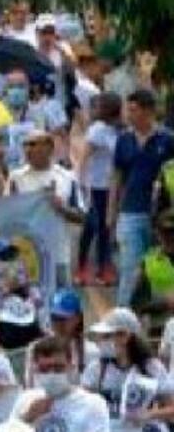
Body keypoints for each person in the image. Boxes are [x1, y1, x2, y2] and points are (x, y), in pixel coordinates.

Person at [84, 307, 173, 432]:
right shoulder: (96, 370)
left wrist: (148, 415)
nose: (102, 342)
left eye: (107, 336)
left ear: (125, 336)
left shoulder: (152, 368)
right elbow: (84, 406)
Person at [11, 336, 110, 432]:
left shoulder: (93, 403)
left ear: (71, 366)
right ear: (35, 369)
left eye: (58, 368)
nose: (51, 374)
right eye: (45, 369)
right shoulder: (25, 400)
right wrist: (27, 419)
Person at [109, 89, 174, 304]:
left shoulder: (167, 139)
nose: (128, 114)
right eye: (128, 109)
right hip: (130, 212)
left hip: (162, 218)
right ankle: (124, 318)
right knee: (130, 269)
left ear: (148, 111)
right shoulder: (124, 140)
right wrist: (112, 214)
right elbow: (117, 178)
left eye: (134, 110)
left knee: (159, 269)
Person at [8, 129, 84, 284]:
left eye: (33, 144)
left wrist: (60, 208)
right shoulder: (16, 178)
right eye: (26, 145)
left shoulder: (66, 177)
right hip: (27, 256)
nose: (28, 149)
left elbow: (82, 216)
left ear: (49, 147)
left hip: (59, 255)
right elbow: (6, 215)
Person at [77, 91, 120, 286]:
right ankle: (83, 266)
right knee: (93, 226)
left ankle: (104, 267)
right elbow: (84, 158)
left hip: (112, 187)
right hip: (95, 186)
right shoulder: (97, 130)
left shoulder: (118, 130)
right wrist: (80, 185)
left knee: (107, 227)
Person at [23, 289, 99, 388]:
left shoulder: (91, 351)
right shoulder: (35, 348)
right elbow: (29, 386)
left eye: (63, 319)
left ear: (77, 318)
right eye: (54, 318)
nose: (58, 324)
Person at [131, 208, 174, 319]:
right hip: (160, 331)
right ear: (159, 234)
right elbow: (137, 305)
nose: (171, 237)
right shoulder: (148, 262)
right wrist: (164, 303)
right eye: (167, 232)